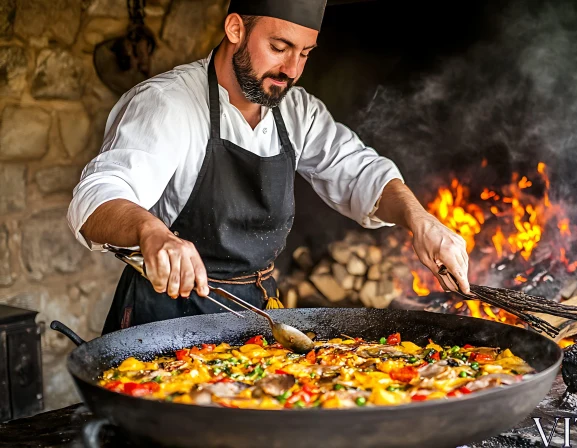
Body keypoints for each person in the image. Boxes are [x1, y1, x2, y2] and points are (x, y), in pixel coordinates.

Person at [67, 0, 470, 334]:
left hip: (258, 319)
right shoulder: (167, 103)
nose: (292, 70)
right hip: (164, 324)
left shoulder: (295, 110)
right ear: (235, 29)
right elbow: (97, 196)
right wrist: (150, 231)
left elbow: (361, 172)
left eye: (305, 54)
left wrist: (419, 220)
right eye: (280, 47)